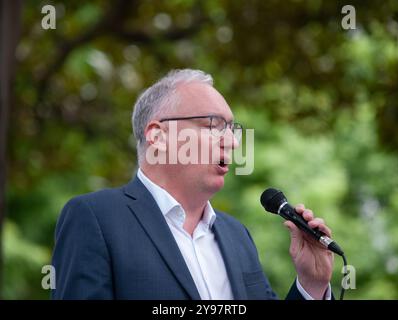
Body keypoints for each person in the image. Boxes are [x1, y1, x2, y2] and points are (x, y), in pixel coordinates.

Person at [51, 69, 333, 300]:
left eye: (232, 129)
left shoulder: (237, 235)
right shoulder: (95, 218)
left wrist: (311, 286)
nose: (233, 142)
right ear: (158, 136)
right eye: (213, 125)